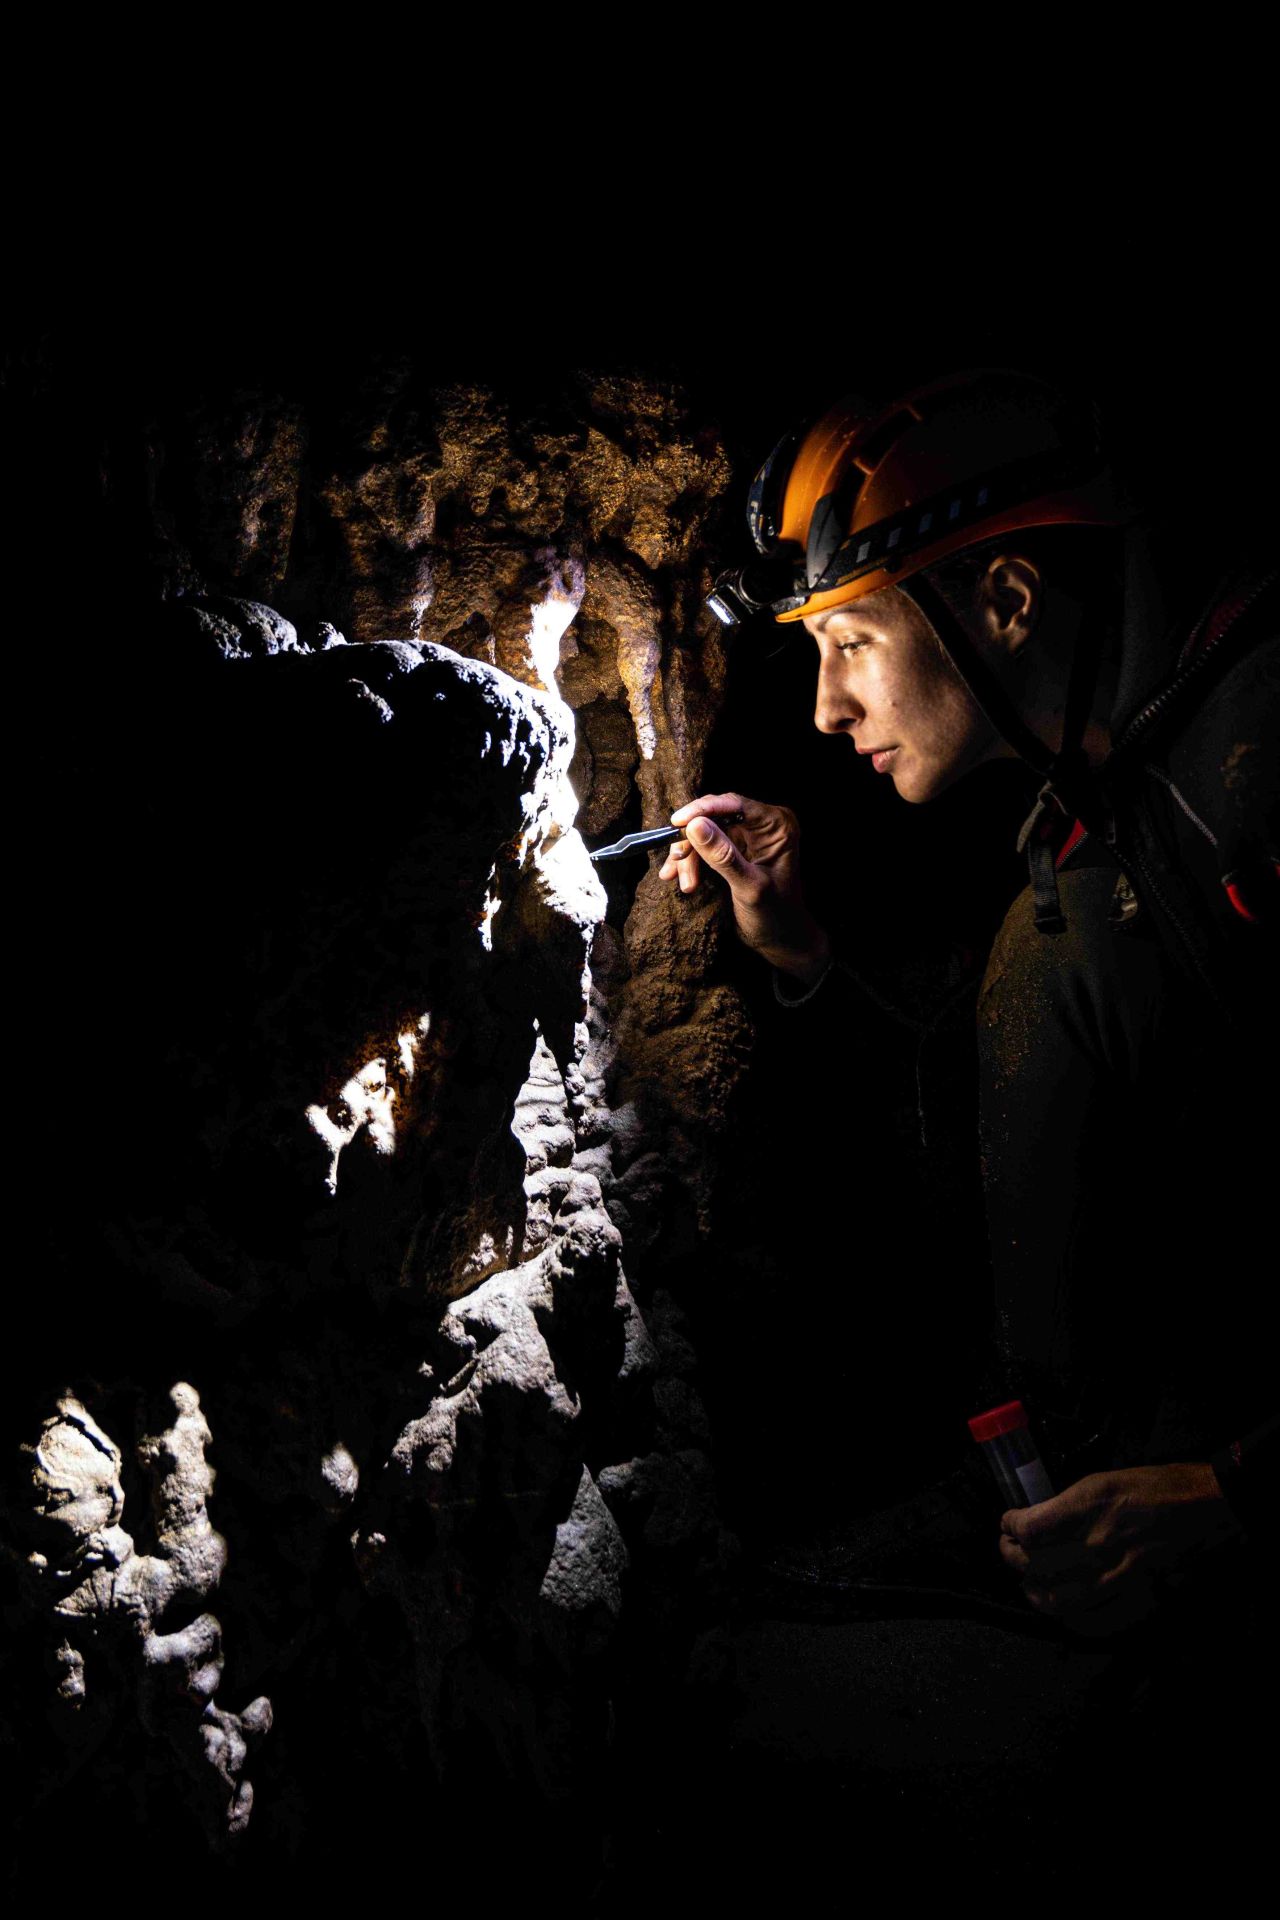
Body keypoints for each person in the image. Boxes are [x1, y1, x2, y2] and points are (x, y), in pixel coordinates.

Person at [660, 369, 1278, 1640]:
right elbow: (979, 1102)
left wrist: (1236, 1493)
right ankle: (1061, 1483)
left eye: (851, 644)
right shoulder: (1116, 789)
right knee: (1051, 942)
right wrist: (801, 955)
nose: (825, 710)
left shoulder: (1266, 766)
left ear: (1001, 598)